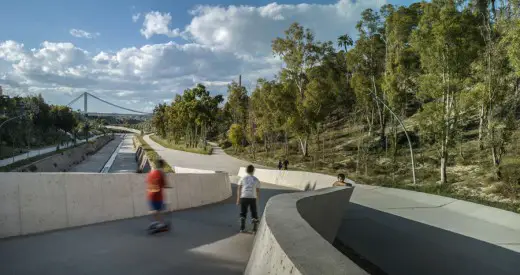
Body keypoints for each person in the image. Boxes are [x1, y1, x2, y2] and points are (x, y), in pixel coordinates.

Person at [147, 159, 170, 230]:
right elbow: (165, 184)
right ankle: (161, 224)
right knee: (159, 210)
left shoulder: (151, 172)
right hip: (157, 195)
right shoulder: (161, 173)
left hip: (150, 194)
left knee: (154, 210)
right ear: (162, 165)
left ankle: (156, 221)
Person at [237, 164, 261, 233]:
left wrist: (238, 199)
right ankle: (254, 229)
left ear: (246, 170)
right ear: (253, 171)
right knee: (254, 212)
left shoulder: (242, 178)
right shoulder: (256, 179)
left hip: (243, 197)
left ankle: (242, 228)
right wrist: (257, 200)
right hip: (252, 198)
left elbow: (239, 189)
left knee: (243, 212)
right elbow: (257, 191)